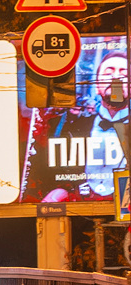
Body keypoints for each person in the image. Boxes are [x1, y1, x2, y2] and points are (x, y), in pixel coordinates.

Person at [22, 52, 128, 201]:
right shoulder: (73, 128)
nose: (115, 78)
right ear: (97, 85)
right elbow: (53, 173)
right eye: (108, 73)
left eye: (124, 75)